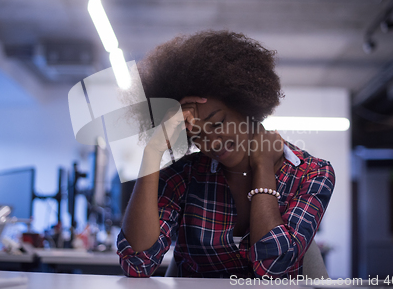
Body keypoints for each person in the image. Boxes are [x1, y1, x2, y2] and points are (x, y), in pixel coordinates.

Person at [117, 30, 335, 278]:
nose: (211, 142)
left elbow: (273, 268)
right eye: (196, 135)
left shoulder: (312, 174)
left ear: (245, 106)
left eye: (218, 123)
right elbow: (137, 264)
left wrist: (263, 167)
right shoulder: (185, 176)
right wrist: (152, 152)